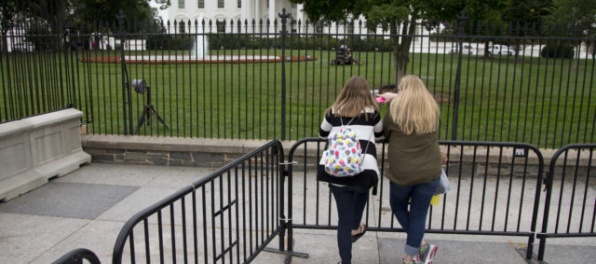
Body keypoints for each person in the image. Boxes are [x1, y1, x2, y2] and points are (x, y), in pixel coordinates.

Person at [317, 76, 384, 264]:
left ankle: (345, 260)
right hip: (364, 168)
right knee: (361, 192)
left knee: (343, 222)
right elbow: (380, 134)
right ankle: (357, 226)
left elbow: (322, 133)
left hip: (337, 168)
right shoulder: (373, 113)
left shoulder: (333, 111)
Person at [379, 75, 441, 264]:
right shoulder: (432, 109)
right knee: (419, 214)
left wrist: (389, 99)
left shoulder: (395, 110)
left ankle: (419, 246)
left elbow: (385, 133)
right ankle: (410, 256)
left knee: (398, 206)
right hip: (430, 171)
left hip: (402, 172)